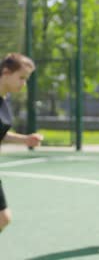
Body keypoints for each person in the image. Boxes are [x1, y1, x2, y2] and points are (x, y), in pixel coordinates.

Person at [0, 53, 43, 233]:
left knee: (3, 218)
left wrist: (25, 139)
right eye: (21, 78)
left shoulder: (4, 100)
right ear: (6, 72)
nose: (24, 84)